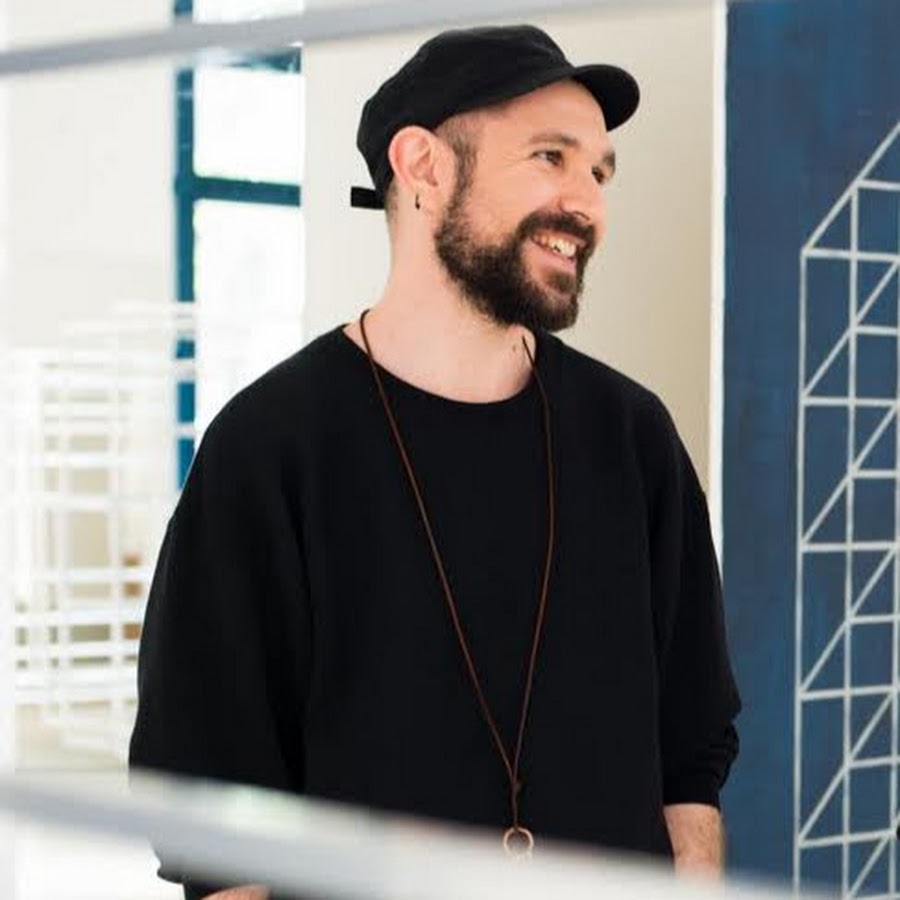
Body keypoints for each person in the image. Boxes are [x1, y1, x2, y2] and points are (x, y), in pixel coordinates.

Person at [129, 24, 741, 900]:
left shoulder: (634, 438)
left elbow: (690, 754)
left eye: (600, 173)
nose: (588, 204)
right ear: (423, 167)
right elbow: (214, 806)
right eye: (551, 157)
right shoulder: (268, 450)